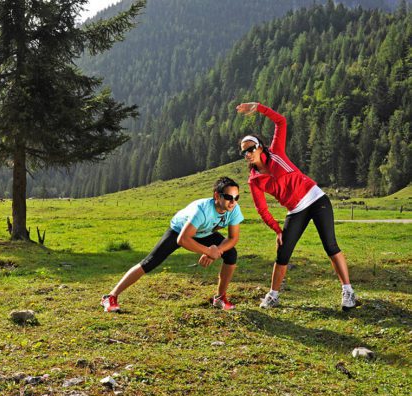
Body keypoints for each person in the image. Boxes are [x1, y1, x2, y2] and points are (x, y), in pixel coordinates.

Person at [235, 101, 357, 310]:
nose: (248, 154)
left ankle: (348, 292)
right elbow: (261, 209)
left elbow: (281, 122)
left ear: (260, 147)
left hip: (316, 199)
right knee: (282, 253)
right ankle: (273, 296)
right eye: (244, 152)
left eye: (251, 148)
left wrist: (259, 108)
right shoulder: (254, 180)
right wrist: (277, 229)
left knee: (330, 245)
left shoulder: (277, 153)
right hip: (295, 210)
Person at [101, 177, 244, 312]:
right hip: (179, 231)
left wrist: (217, 250)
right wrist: (208, 251)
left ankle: (219, 298)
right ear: (217, 196)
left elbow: (233, 238)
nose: (233, 201)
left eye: (236, 198)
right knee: (150, 262)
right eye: (228, 197)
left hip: (203, 232)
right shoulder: (201, 210)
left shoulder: (234, 209)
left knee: (231, 253)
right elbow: (182, 239)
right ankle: (110, 297)